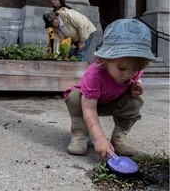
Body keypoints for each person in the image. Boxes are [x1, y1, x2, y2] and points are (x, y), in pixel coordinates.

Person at [64, 18, 155, 158]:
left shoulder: (132, 70)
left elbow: (136, 78)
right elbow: (89, 109)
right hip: (87, 104)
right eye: (121, 68)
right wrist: (100, 138)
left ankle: (119, 137)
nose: (128, 74)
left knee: (135, 101)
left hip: (113, 102)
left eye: (135, 69)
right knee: (75, 97)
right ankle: (80, 132)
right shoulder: (94, 74)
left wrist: (137, 86)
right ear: (104, 59)